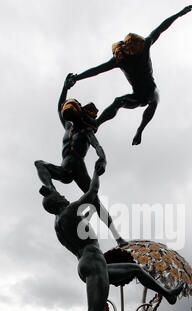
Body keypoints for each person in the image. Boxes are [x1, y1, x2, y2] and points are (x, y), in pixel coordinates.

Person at [38, 171, 183, 311]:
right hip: (93, 261)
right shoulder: (68, 211)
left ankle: (168, 294)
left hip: (89, 262)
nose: (65, 197)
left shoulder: (60, 223)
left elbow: (82, 220)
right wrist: (97, 170)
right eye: (61, 197)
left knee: (135, 269)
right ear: (58, 202)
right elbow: (92, 192)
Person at [69, 5, 192, 145]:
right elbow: (97, 70)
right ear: (128, 52)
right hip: (137, 96)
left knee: (154, 100)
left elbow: (161, 28)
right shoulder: (120, 60)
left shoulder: (145, 45)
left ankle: (140, 130)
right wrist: (77, 77)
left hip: (151, 89)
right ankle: (97, 123)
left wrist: (179, 14)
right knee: (118, 101)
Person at [34, 74, 126, 247]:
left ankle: (117, 237)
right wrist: (65, 87)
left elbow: (98, 146)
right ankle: (50, 188)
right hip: (64, 169)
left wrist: (103, 160)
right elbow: (59, 107)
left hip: (77, 168)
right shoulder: (68, 127)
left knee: (95, 201)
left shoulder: (85, 132)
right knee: (40, 164)